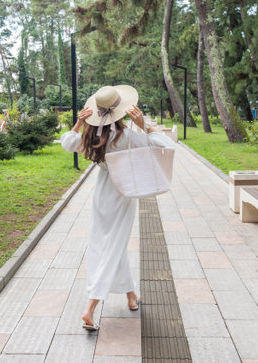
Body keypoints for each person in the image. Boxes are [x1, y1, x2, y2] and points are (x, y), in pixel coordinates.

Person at [61, 85, 174, 331]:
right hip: (122, 195)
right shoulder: (126, 137)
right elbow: (165, 144)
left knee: (112, 244)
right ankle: (90, 307)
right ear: (121, 113)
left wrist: (79, 123)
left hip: (102, 195)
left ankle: (130, 295)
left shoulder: (90, 138)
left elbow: (67, 143)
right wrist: (145, 125)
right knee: (112, 247)